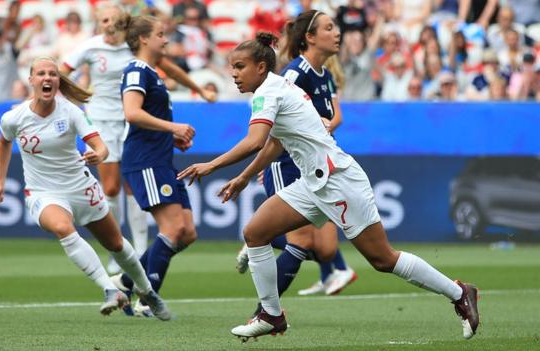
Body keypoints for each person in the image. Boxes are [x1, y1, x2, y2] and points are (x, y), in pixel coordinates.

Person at [177, 32, 479, 341]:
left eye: (240, 66)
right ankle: (271, 315)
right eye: (233, 67)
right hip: (314, 182)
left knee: (382, 259)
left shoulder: (268, 92)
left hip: (338, 181)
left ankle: (459, 292)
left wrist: (211, 165)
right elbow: (275, 142)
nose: (234, 74)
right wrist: (243, 178)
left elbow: (255, 141)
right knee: (255, 233)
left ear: (262, 67)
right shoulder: (276, 87)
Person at [0, 56, 171, 321]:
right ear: (31, 80)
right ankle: (110, 289)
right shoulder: (14, 118)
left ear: (58, 80)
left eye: (52, 73)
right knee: (63, 228)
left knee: (116, 244)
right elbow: (4, 143)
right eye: (41, 73)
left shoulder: (70, 112)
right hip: (43, 192)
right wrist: (0, 181)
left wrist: (99, 153)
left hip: (81, 188)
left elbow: (100, 146)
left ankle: (147, 291)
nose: (47, 78)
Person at [60, 5, 216, 273]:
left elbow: (169, 68)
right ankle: (116, 249)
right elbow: (60, 72)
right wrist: (80, 97)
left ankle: (140, 249)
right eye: (104, 19)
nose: (109, 24)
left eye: (113, 19)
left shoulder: (134, 53)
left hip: (129, 121)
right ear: (98, 22)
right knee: (110, 189)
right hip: (101, 121)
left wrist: (199, 89)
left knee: (133, 188)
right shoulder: (91, 47)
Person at [235, 11, 357, 305]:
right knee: (299, 240)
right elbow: (272, 116)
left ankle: (258, 244)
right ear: (310, 37)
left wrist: (327, 125)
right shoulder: (294, 72)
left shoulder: (325, 75)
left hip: (316, 165)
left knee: (326, 249)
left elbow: (330, 116)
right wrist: (263, 161)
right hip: (286, 161)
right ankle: (266, 309)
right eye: (330, 27)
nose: (338, 32)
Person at [110, 15, 198, 318]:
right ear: (144, 39)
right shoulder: (137, 70)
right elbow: (132, 113)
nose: (165, 39)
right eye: (161, 34)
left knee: (187, 233)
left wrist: (170, 137)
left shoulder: (152, 72)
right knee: (173, 229)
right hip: (145, 160)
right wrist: (173, 128)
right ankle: (147, 299)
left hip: (161, 158)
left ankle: (124, 281)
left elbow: (145, 118)